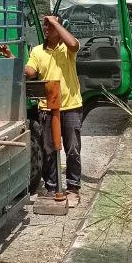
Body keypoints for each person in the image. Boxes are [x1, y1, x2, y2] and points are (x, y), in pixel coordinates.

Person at [25, 15, 82, 206]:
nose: (46, 28)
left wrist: (56, 22)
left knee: (72, 149)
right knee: (49, 149)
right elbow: (30, 72)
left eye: (50, 26)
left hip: (71, 105)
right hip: (47, 108)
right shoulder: (37, 51)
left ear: (60, 27)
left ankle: (73, 188)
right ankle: (52, 188)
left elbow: (73, 44)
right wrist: (11, 58)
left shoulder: (67, 49)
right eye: (45, 26)